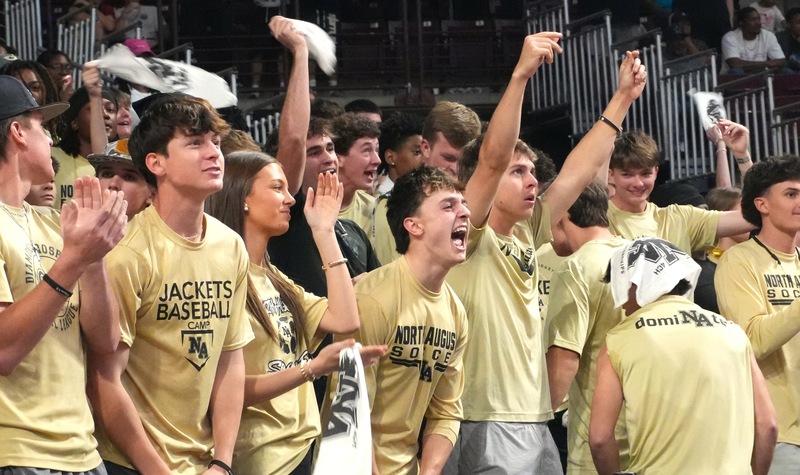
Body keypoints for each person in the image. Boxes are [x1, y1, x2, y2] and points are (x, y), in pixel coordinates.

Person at [445, 34, 648, 472]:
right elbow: (493, 158)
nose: (532, 180)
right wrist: (520, 76)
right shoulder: (468, 233)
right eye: (519, 172)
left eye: (533, 171)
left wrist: (622, 100)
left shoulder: (527, 231)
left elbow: (577, 172)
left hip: (536, 418)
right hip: (485, 418)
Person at [87, 95, 255, 475]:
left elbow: (230, 360)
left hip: (205, 463)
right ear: (156, 163)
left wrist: (222, 462)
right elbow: (103, 381)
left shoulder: (230, 245)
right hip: (130, 463)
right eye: (195, 143)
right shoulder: (127, 252)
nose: (214, 153)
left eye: (215, 141)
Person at [205, 152, 386, 474]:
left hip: (302, 446)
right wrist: (311, 369)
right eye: (277, 188)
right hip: (260, 455)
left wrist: (325, 233)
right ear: (242, 198)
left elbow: (345, 319)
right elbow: (223, 389)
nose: (290, 199)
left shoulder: (272, 276)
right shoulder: (221, 278)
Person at [0, 75, 128, 474]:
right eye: (42, 126)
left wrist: (95, 257)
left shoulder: (54, 223)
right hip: (18, 451)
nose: (52, 140)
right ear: (17, 132)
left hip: (83, 449)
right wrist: (73, 260)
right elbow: (4, 351)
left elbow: (105, 340)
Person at [324, 165, 469, 474]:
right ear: (414, 226)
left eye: (464, 204)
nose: (465, 213)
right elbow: (349, 412)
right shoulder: (374, 299)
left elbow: (446, 410)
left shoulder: (455, 311)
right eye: (449, 206)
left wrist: (428, 471)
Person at [590, 237, 777, 475]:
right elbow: (767, 425)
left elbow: (599, 438)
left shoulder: (618, 341)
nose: (622, 303)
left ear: (635, 282)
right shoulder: (734, 333)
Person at [716, 156, 800, 474]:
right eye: (791, 194)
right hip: (779, 436)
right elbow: (752, 340)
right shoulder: (738, 261)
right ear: (762, 204)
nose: (799, 202)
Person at [545, 180, 631, 475]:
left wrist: (535, 422)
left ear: (562, 216)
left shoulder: (576, 268)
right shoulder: (640, 258)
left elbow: (565, 358)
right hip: (649, 441)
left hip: (596, 448)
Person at [606, 130, 755, 255]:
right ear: (611, 175)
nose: (638, 183)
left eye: (645, 174)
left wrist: (742, 155)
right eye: (627, 174)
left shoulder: (680, 218)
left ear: (656, 172)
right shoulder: (599, 219)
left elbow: (755, 215)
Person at [369, 101, 482, 265]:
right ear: (425, 148)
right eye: (448, 158)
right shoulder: (393, 204)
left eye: (464, 161)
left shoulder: (482, 200)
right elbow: (394, 279)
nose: (456, 169)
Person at [52, 81, 118, 209]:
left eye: (110, 110)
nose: (104, 115)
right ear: (74, 122)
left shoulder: (121, 166)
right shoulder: (51, 157)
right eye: (95, 109)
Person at [331, 112, 381, 234]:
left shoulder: (374, 209)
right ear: (339, 158)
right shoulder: (310, 209)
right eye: (366, 150)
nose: (377, 160)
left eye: (377, 150)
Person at [87, 139, 155, 219]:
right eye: (107, 174)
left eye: (128, 177)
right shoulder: (78, 228)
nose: (113, 184)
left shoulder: (160, 231)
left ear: (152, 194)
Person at [721, 6, 786, 74]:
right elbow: (735, 63)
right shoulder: (730, 37)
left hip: (762, 74)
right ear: (741, 23)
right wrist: (767, 64)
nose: (758, 23)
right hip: (737, 77)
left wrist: (762, 66)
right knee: (737, 71)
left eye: (758, 19)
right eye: (753, 20)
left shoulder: (768, 35)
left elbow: (781, 60)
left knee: (785, 71)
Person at [372, 112, 423, 197]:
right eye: (417, 152)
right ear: (390, 157)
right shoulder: (384, 199)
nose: (424, 160)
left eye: (425, 152)